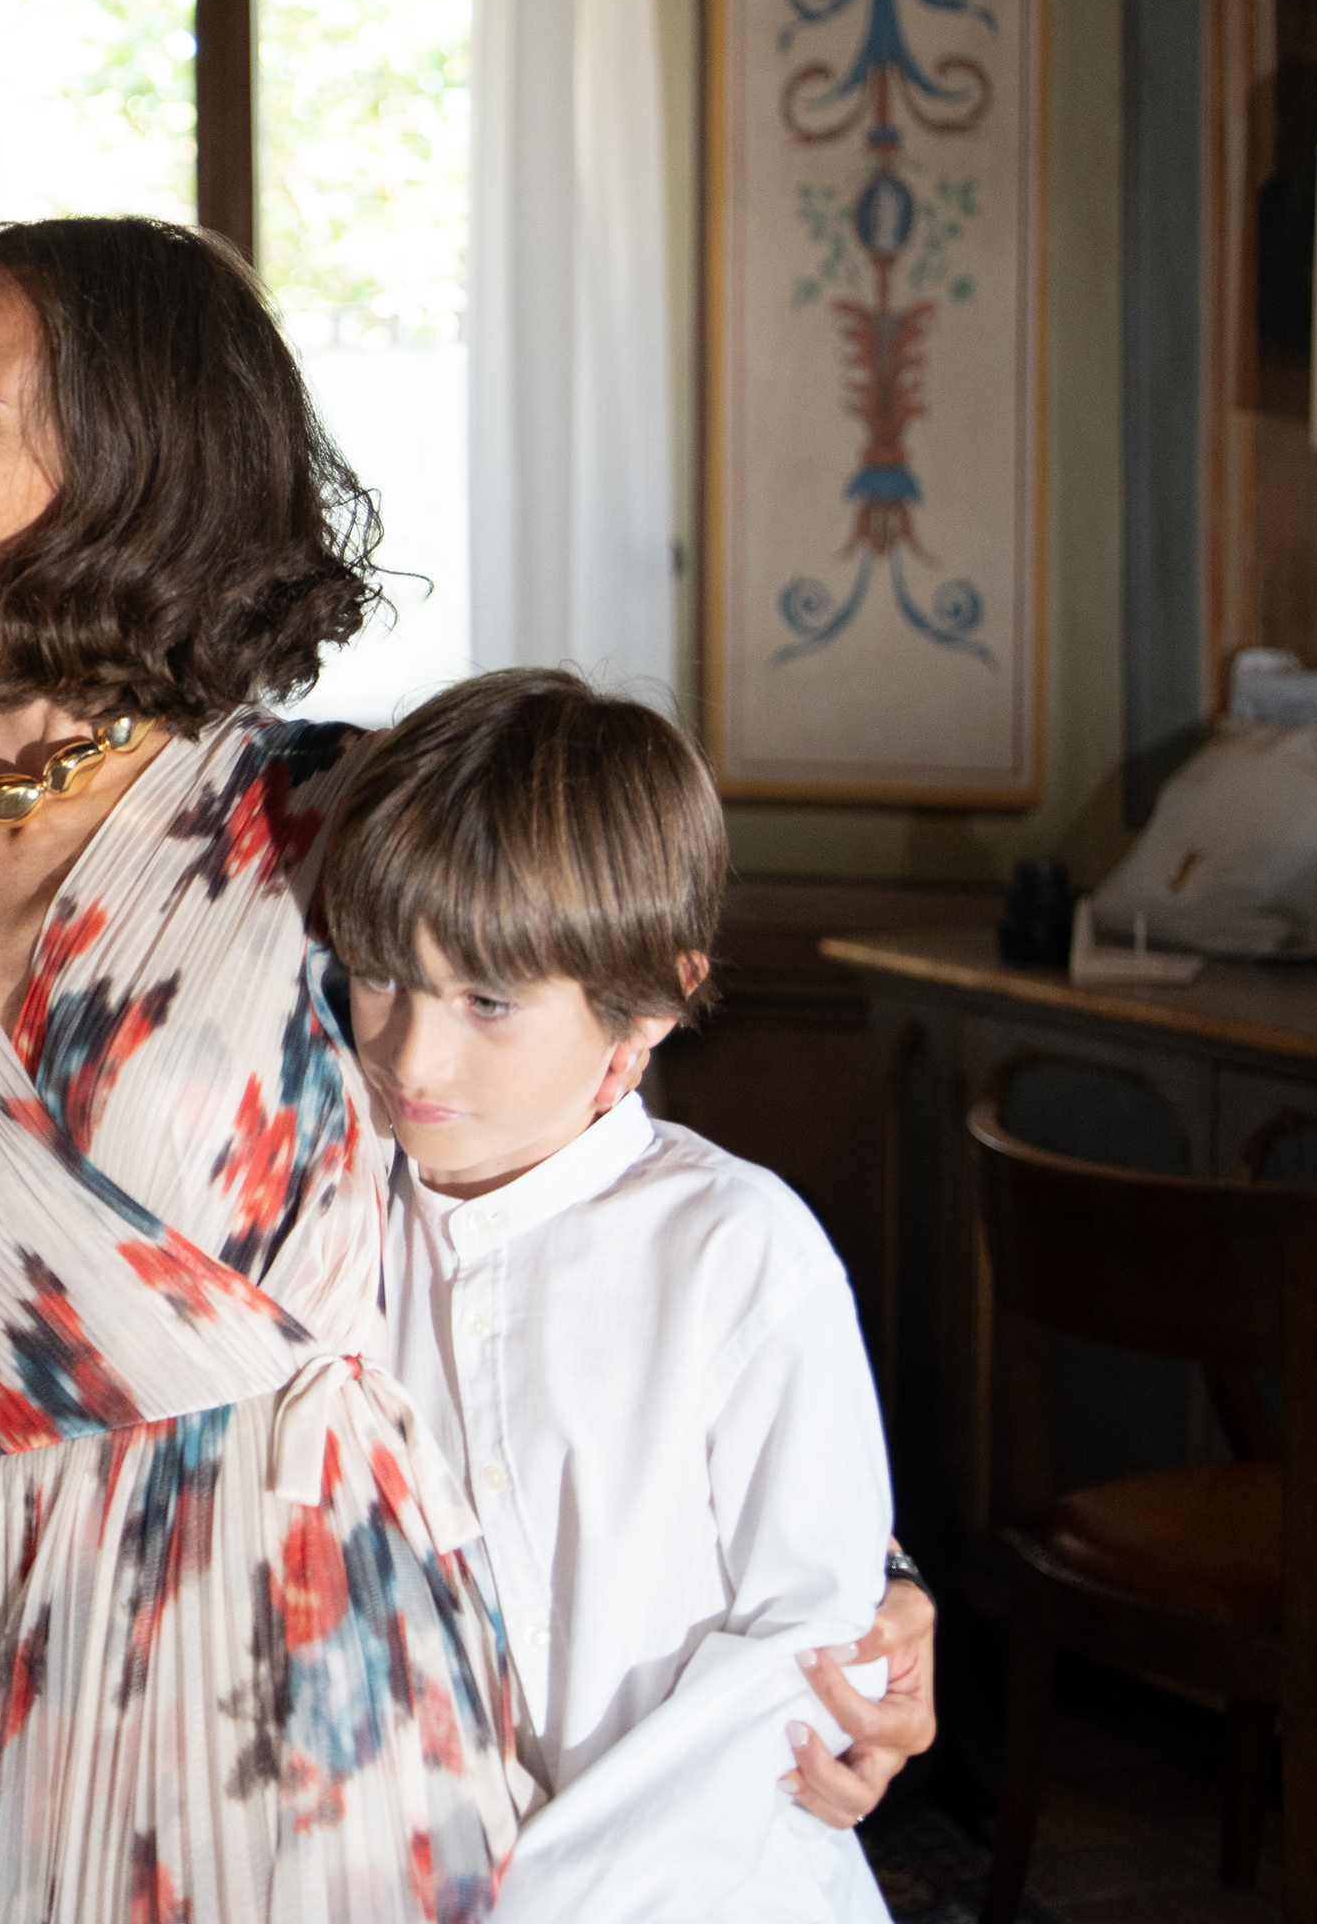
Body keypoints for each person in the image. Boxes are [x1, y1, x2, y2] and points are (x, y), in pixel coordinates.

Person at [0, 216, 528, 1921]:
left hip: (301, 1648)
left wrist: (844, 1564)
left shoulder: (331, 823)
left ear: (128, 467)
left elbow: (578, 1224)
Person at [328, 670, 917, 1922]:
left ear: (647, 1004)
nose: (413, 1054)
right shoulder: (331, 1225)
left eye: (489, 1000)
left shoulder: (738, 1250)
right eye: (379, 975)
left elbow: (808, 1656)